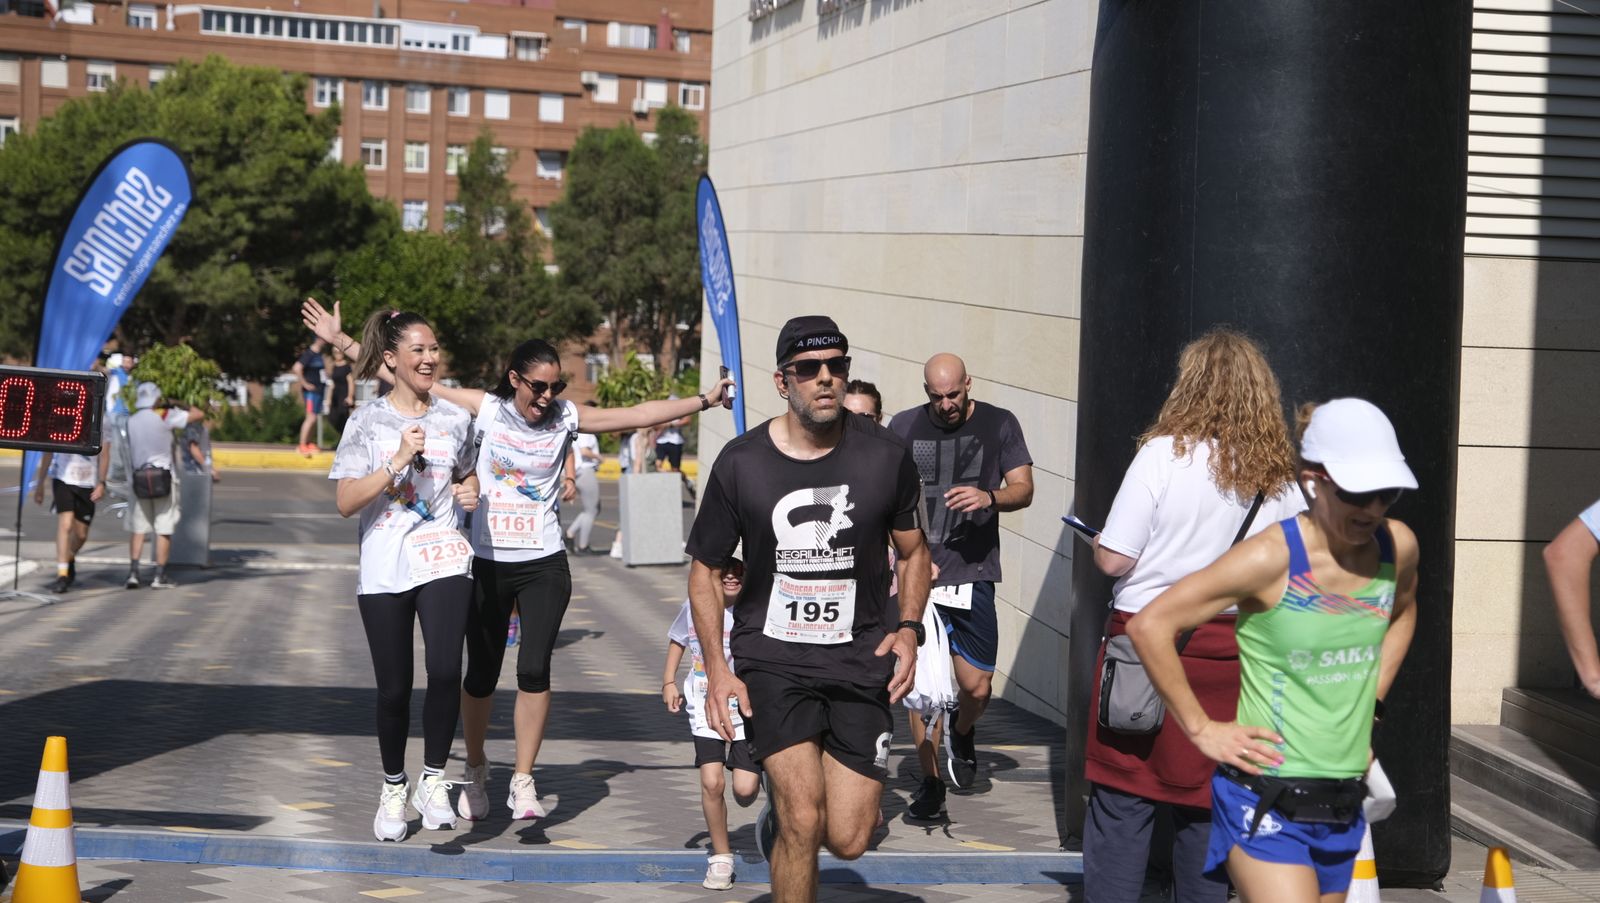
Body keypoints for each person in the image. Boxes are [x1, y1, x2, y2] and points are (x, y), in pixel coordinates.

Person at [302, 310, 737, 825]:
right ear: (515, 380)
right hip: (483, 558)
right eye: (538, 386)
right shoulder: (482, 410)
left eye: (556, 386)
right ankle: (477, 769)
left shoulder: (565, 418)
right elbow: (404, 372)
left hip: (540, 559)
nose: (547, 396)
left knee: (529, 667)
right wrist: (345, 342)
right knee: (475, 676)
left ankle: (520, 778)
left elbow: (637, 413)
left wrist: (705, 400)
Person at [1128, 397, 1420, 903]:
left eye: (1386, 492)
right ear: (1314, 480)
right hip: (1263, 799)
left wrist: (1370, 706)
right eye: (1359, 491)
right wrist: (1201, 728)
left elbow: (1404, 612)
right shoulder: (1271, 557)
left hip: (1342, 801)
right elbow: (1151, 625)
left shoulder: (1397, 548)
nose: (1373, 508)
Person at [687, 315, 931, 903]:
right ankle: (790, 824)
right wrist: (718, 671)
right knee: (803, 816)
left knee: (847, 838)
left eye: (836, 367)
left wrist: (908, 629)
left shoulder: (885, 456)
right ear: (782, 381)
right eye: (808, 370)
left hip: (859, 658)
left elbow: (914, 550)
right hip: (773, 660)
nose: (825, 379)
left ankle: (785, 829)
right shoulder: (741, 463)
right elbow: (704, 569)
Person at [1081, 330, 1306, 903]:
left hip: (1144, 654)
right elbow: (1299, 570)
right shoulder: (1280, 478)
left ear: (1190, 386)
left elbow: (1114, 558)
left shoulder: (1162, 455)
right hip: (1235, 657)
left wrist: (1098, 541)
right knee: (1208, 810)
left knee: (1121, 802)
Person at [327, 310, 481, 842]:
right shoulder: (366, 423)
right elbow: (346, 502)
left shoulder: (456, 419)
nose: (430, 358)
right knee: (395, 689)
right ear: (391, 359)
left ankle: (433, 780)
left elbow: (467, 473)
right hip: (385, 563)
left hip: (441, 555)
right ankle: (394, 786)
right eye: (418, 350)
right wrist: (396, 460)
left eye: (434, 349)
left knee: (444, 671)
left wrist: (472, 490)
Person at [887, 352, 1033, 818]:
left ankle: (963, 730)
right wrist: (900, 559)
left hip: (973, 572)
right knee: (921, 683)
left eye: (953, 394)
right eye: (936, 396)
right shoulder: (904, 427)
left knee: (976, 687)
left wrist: (989, 496)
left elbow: (1024, 488)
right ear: (925, 391)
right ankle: (931, 782)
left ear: (969, 383)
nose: (946, 404)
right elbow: (883, 499)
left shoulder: (999, 424)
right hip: (917, 574)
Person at [663, 557, 762, 890]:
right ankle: (721, 857)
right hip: (704, 706)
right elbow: (678, 639)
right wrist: (668, 681)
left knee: (745, 791)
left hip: (747, 710)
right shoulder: (696, 604)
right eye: (726, 568)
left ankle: (773, 805)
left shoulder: (758, 609)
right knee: (712, 782)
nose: (732, 575)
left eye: (739, 569)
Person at [124, 382, 205, 590]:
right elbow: (198, 414)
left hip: (138, 478)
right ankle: (159, 576)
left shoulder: (131, 420)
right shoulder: (164, 415)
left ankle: (133, 574)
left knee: (138, 528)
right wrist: (176, 403)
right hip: (163, 478)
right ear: (156, 399)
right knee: (164, 527)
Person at [32, 444, 110, 594]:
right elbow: (48, 451)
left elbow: (105, 453)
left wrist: (102, 482)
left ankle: (69, 557)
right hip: (63, 479)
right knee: (66, 525)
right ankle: (62, 574)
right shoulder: (61, 421)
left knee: (81, 535)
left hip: (87, 482)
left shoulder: (103, 422)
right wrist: (40, 483)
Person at [565, 402, 603, 554]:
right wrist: (599, 457)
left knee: (594, 508)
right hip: (585, 471)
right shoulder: (587, 431)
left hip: (579, 472)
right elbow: (584, 451)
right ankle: (582, 544)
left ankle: (570, 534)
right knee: (591, 510)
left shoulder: (576, 430)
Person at [295, 339, 328, 456]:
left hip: (319, 391)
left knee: (315, 418)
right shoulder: (309, 353)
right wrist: (305, 384)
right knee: (311, 417)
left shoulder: (319, 354)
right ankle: (302, 444)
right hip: (311, 393)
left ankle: (308, 443)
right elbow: (297, 368)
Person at [328, 344, 355, 433]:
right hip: (335, 396)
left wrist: (350, 396)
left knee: (343, 418)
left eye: (339, 352)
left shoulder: (346, 366)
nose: (338, 354)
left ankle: (345, 440)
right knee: (332, 418)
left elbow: (351, 382)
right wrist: (328, 398)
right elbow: (332, 384)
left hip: (344, 395)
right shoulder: (333, 366)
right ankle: (341, 438)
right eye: (335, 352)